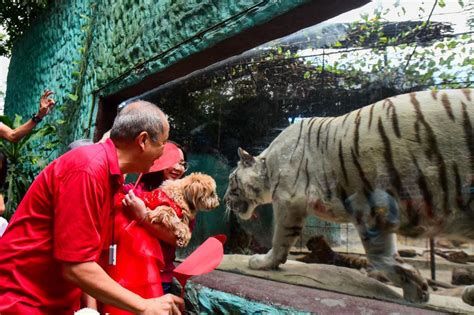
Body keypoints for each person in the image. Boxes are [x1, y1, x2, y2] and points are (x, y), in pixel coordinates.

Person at [0, 100, 183, 314]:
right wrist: (144, 306)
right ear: (142, 140)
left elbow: (85, 256)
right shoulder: (87, 169)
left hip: (52, 301)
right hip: (22, 301)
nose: (163, 154)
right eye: (163, 143)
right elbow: (76, 267)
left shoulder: (109, 177)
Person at [97, 141, 188, 314]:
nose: (178, 167)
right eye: (172, 160)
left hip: (161, 277)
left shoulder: (184, 199)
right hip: (123, 274)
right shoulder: (133, 190)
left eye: (182, 163)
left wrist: (143, 216)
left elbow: (180, 238)